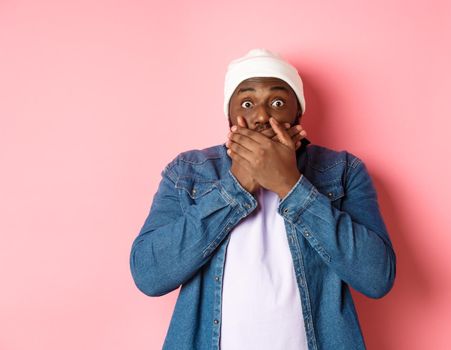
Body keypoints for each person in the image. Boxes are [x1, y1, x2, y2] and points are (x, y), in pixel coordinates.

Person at [129, 48, 397, 350]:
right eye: (246, 102)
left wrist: (290, 185)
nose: (261, 116)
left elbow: (376, 278)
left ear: (298, 113)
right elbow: (150, 275)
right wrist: (237, 186)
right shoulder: (189, 171)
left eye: (278, 102)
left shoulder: (342, 171)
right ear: (229, 116)